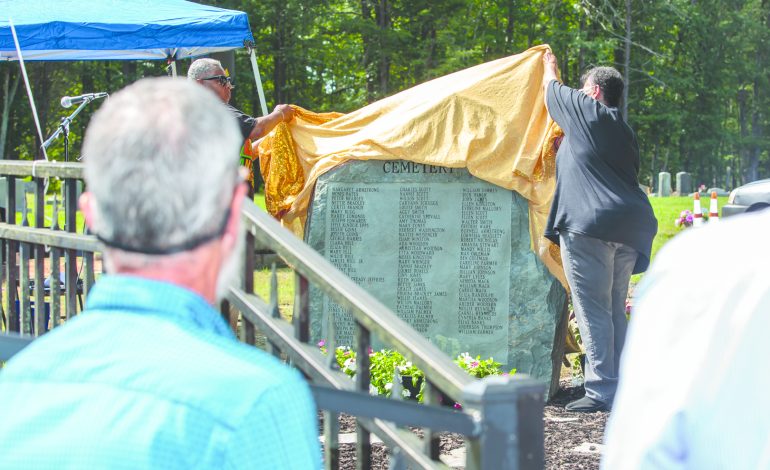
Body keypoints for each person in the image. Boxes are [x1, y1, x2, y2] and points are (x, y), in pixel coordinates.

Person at [0, 78, 321, 469]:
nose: (230, 86)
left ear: (91, 213)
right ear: (234, 209)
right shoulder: (260, 402)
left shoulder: (15, 388)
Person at [602, 211, 770, 469]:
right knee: (611, 308)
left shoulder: (697, 262)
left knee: (600, 309)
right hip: (627, 225)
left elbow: (642, 451)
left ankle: (602, 382)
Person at [541, 51, 657, 412]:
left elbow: (549, 89)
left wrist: (548, 63)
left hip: (590, 225)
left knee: (592, 310)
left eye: (581, 88)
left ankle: (602, 392)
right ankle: (622, 384)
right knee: (611, 309)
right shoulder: (623, 131)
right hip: (629, 227)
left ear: (593, 91)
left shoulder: (588, 110)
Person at [187, 58, 294, 142]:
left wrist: (268, 142)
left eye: (228, 80)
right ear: (199, 84)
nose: (228, 86)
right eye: (222, 80)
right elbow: (257, 129)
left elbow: (239, 155)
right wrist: (281, 113)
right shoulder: (212, 108)